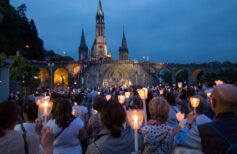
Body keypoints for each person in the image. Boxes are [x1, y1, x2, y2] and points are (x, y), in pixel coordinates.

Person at [175, 84, 237, 153]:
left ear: (212, 103)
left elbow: (179, 141)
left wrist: (188, 124)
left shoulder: (203, 130)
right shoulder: (208, 121)